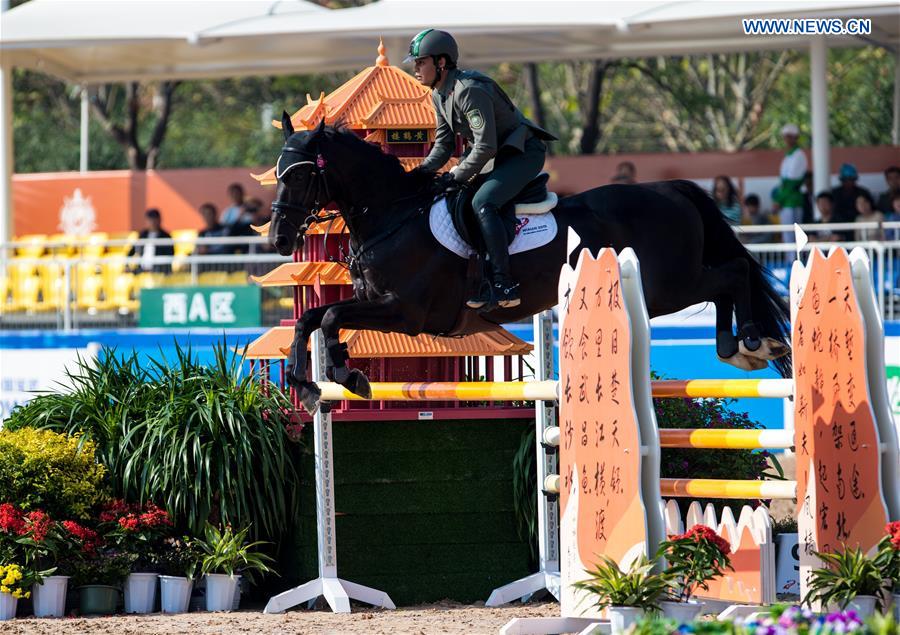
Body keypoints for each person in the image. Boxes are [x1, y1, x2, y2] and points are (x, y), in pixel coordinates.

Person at [406, 28, 557, 310]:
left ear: (441, 63)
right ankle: (480, 277)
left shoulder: (468, 90)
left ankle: (504, 282)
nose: (415, 68)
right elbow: (443, 145)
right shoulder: (438, 95)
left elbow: (485, 146)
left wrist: (454, 175)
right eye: (415, 63)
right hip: (497, 156)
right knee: (457, 201)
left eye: (420, 62)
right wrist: (419, 175)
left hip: (522, 153)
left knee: (483, 202)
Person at [771, 124, 807, 243]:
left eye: (790, 136)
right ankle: (790, 261)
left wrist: (778, 201)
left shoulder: (798, 155)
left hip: (792, 201)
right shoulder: (789, 155)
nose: (787, 139)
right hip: (786, 201)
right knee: (788, 237)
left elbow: (791, 184)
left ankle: (795, 262)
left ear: (796, 137)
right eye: (786, 136)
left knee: (794, 238)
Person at [131, 208, 174, 272]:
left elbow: (170, 255)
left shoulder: (166, 236)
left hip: (158, 270)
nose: (152, 223)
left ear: (159, 220)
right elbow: (132, 251)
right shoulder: (142, 235)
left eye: (154, 219)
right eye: (150, 220)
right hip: (142, 270)